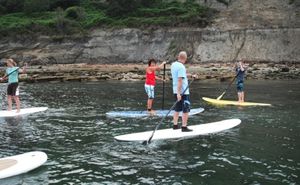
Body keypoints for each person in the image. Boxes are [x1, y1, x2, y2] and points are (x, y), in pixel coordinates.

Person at [171, 51, 196, 132]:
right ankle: (184, 127)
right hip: (183, 92)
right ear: (185, 59)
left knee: (177, 109)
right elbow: (180, 80)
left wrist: (191, 76)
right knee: (186, 109)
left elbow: (182, 74)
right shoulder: (181, 67)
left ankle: (175, 125)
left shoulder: (173, 64)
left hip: (175, 90)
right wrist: (179, 93)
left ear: (178, 57)